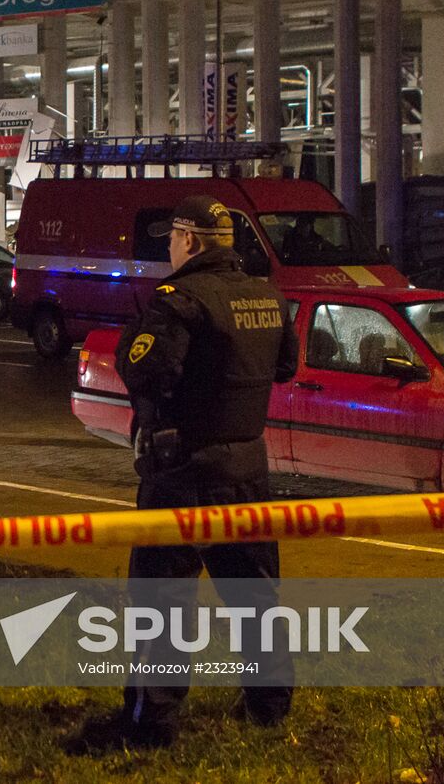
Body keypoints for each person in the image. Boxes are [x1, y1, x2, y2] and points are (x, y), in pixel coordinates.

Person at [80, 195, 299, 750]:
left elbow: (144, 368)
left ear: (191, 241)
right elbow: (286, 366)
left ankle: (150, 724)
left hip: (183, 471)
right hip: (247, 468)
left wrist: (135, 340)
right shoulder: (266, 296)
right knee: (255, 594)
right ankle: (269, 708)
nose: (170, 247)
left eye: (173, 238)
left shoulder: (178, 300)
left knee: (163, 600)